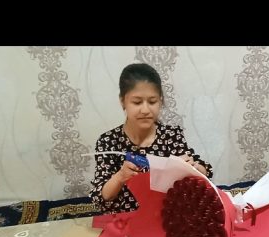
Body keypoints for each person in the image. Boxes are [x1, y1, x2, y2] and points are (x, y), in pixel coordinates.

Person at [91, 63, 213, 213]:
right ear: (123, 101)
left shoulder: (171, 136)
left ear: (160, 101)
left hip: (165, 219)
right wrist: (120, 176)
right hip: (124, 223)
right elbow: (102, 197)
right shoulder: (108, 142)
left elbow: (204, 172)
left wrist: (192, 168)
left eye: (152, 101)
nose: (145, 110)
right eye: (137, 102)